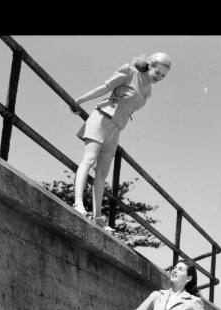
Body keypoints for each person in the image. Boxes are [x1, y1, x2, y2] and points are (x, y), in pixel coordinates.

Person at [72, 52, 172, 219]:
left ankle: (97, 217)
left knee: (103, 173)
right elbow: (106, 87)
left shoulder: (148, 91)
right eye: (158, 72)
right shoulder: (130, 72)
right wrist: (80, 101)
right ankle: (78, 203)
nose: (160, 77)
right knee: (89, 159)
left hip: (117, 128)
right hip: (102, 118)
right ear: (151, 65)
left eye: (163, 75)